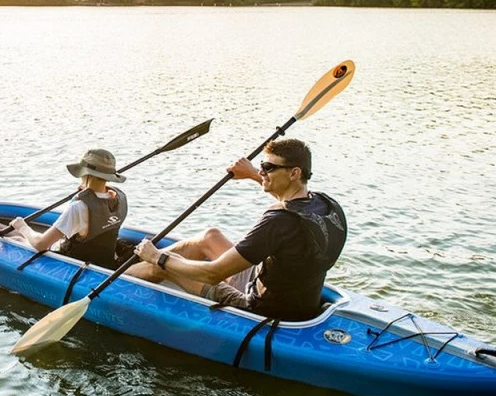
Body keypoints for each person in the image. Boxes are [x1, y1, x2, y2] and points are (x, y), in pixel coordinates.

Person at [131, 138, 346, 321]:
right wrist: (252, 174)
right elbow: (290, 201)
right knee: (210, 236)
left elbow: (213, 274)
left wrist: (158, 257)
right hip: (295, 296)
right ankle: (132, 266)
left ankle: (118, 277)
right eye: (261, 166)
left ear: (294, 173)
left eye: (269, 168)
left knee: (165, 265)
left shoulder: (278, 221)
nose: (262, 171)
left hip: (259, 309)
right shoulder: (326, 205)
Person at [8, 148, 128, 269]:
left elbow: (40, 244)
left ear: (86, 174)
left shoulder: (79, 207)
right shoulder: (120, 198)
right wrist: (87, 193)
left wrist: (22, 226)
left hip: (77, 264)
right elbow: (99, 212)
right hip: (104, 262)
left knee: (17, 238)